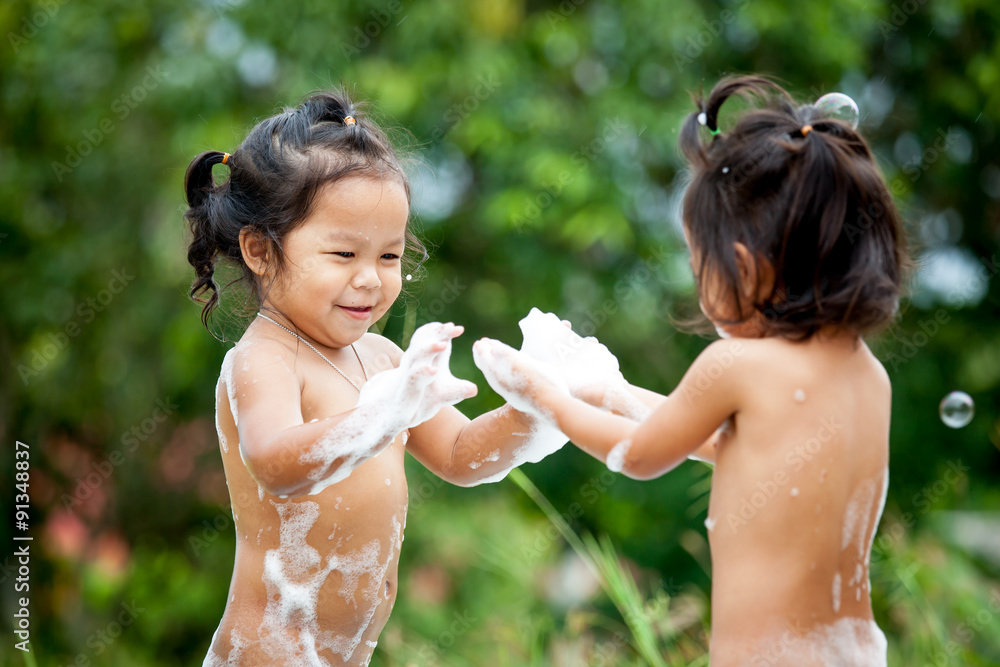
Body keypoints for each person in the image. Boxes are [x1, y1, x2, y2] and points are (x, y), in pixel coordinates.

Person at [473, 75, 909, 666]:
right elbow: (728, 444)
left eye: (698, 266)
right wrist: (612, 391)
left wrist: (544, 396)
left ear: (743, 267)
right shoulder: (867, 375)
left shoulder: (736, 364)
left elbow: (640, 453)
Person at [184, 89, 572, 666]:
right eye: (343, 254)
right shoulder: (264, 359)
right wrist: (382, 416)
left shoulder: (385, 358)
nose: (370, 279)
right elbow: (276, 464)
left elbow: (463, 456)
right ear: (261, 250)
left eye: (389, 257)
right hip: (267, 653)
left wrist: (537, 411)